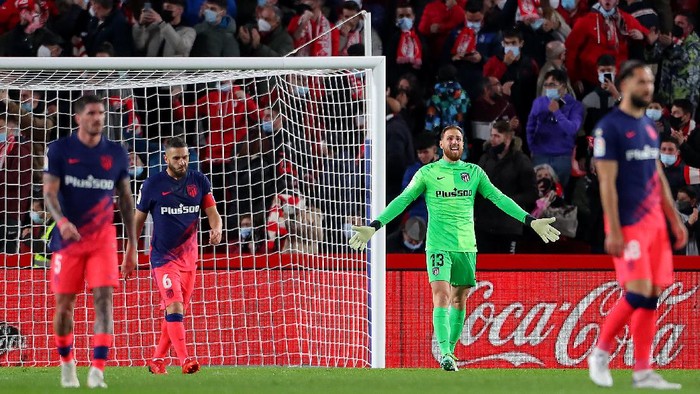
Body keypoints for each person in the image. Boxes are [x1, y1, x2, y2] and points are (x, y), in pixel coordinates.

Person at [348, 125, 560, 371]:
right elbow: (403, 200)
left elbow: (500, 199)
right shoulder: (427, 173)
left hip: (466, 247)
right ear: (441, 144)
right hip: (438, 245)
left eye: (459, 138)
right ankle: (445, 353)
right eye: (450, 138)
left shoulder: (474, 172)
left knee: (459, 300)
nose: (455, 142)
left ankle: (450, 352)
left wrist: (530, 221)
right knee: (441, 296)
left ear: (463, 143)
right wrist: (375, 226)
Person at [588, 60, 686, 389]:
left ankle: (642, 370)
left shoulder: (648, 125)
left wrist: (673, 218)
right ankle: (600, 353)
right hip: (628, 222)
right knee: (639, 289)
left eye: (650, 82)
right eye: (642, 82)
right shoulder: (609, 128)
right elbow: (606, 181)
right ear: (625, 82)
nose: (648, 88)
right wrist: (613, 228)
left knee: (653, 293)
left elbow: (656, 173)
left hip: (655, 223)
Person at [43, 94, 137, 388]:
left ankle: (97, 371)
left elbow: (125, 198)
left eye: (102, 113)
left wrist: (132, 245)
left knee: (104, 300)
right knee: (64, 305)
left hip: (102, 240)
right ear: (78, 118)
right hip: (68, 240)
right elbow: (49, 193)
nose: (99, 118)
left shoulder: (117, 153)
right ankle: (67, 363)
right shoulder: (60, 150)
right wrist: (61, 221)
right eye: (93, 113)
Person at [122, 137, 221, 375]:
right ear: (166, 159)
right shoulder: (152, 185)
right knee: (174, 305)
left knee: (174, 313)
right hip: (163, 259)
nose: (182, 162)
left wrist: (217, 228)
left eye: (185, 157)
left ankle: (156, 360)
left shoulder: (199, 181)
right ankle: (185, 360)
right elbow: (137, 221)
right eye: (176, 158)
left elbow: (212, 212)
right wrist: (130, 254)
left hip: (189, 260)